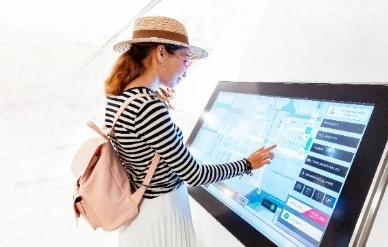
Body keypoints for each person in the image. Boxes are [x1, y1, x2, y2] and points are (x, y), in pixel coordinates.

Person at [103, 16, 277, 247]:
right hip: (162, 216)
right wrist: (248, 164)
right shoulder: (147, 106)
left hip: (139, 213)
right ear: (161, 53)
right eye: (185, 59)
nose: (186, 71)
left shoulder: (121, 97)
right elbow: (195, 175)